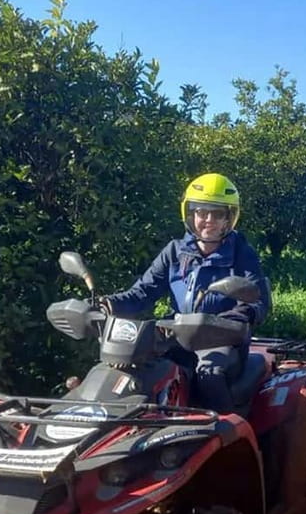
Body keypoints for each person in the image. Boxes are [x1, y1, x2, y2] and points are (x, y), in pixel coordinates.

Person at [103, 173, 271, 414]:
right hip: (176, 337)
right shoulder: (175, 251)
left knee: (208, 374)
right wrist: (107, 304)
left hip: (221, 340)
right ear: (190, 214)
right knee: (133, 368)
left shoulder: (242, 253)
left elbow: (257, 300)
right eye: (202, 212)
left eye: (218, 213)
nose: (209, 220)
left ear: (229, 218)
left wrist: (232, 319)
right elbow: (142, 292)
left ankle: (226, 435)